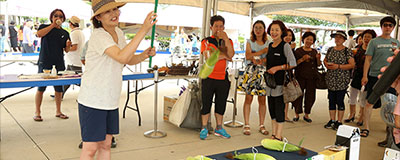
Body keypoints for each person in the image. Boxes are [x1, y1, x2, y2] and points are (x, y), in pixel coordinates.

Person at [77, 0, 156, 159]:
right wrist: (143, 30)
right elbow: (121, 57)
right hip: (93, 100)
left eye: (115, 9)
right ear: (98, 17)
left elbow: (126, 58)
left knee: (106, 145)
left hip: (110, 100)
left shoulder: (119, 33)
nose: (114, 13)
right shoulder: (99, 35)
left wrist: (143, 55)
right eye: (108, 11)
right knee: (90, 149)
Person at [361, 16, 400, 138]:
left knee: (391, 105)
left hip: (391, 79)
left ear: (393, 28)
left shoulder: (396, 42)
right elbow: (368, 60)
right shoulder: (374, 42)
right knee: (369, 102)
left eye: (390, 25)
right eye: (385, 25)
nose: (387, 27)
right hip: (374, 76)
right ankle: (366, 127)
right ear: (381, 27)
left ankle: (390, 131)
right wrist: (364, 76)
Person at [199, 15, 234, 140]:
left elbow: (231, 54)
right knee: (206, 103)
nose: (218, 28)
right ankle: (204, 127)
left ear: (224, 27)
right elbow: (209, 57)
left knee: (221, 104)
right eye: (216, 26)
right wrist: (224, 56)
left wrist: (225, 41)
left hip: (223, 78)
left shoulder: (228, 41)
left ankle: (219, 127)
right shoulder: (206, 41)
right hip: (209, 77)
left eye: (221, 26)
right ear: (211, 27)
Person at [33, 9, 71, 122]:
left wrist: (68, 45)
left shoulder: (65, 33)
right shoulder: (44, 27)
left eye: (60, 16)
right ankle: (37, 112)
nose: (58, 18)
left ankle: (58, 111)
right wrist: (53, 25)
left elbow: (67, 50)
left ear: (63, 19)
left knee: (59, 89)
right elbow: (39, 34)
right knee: (41, 87)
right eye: (55, 16)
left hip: (59, 62)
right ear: (51, 17)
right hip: (45, 61)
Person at [265, 20, 297, 141]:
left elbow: (293, 63)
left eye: (277, 30)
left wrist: (278, 68)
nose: (274, 32)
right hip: (270, 83)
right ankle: (274, 134)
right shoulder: (270, 45)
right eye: (272, 30)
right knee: (271, 108)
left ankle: (278, 135)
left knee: (279, 109)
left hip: (280, 83)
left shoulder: (285, 46)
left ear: (281, 31)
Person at [238, 20, 271, 136]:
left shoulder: (268, 42)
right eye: (256, 27)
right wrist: (261, 52)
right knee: (248, 98)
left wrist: (260, 58)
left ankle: (261, 124)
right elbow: (247, 56)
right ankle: (246, 124)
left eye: (260, 28)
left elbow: (268, 57)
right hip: (251, 71)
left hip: (262, 71)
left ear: (264, 29)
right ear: (253, 29)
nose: (258, 30)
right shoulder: (249, 41)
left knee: (262, 100)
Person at [323, 31, 355, 130]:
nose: (337, 39)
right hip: (331, 78)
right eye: (336, 37)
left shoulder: (347, 51)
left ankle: (339, 121)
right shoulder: (330, 49)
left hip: (342, 79)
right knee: (331, 100)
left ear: (344, 40)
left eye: (340, 38)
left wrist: (338, 66)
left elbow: (352, 64)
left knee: (340, 100)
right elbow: (325, 59)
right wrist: (326, 64)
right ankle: (332, 119)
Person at [344, 30, 376, 127]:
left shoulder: (374, 50)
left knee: (363, 98)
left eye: (369, 37)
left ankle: (361, 116)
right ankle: (351, 114)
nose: (366, 39)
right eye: (364, 37)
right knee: (352, 96)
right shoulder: (357, 48)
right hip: (356, 75)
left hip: (367, 76)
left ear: (373, 39)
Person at [292, 31, 321, 123]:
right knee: (298, 95)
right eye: (307, 39)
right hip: (299, 76)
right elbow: (293, 64)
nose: (309, 41)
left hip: (312, 77)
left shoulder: (314, 51)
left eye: (311, 40)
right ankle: (297, 114)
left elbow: (319, 65)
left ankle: (307, 114)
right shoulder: (298, 51)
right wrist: (302, 59)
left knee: (310, 96)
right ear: (303, 39)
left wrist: (318, 59)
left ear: (313, 42)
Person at [62, 16, 85, 97]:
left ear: (71, 24)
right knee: (67, 78)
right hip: (75, 59)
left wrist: (65, 49)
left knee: (78, 80)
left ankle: (88, 93)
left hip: (73, 60)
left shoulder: (74, 33)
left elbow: (74, 47)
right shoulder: (80, 32)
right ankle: (61, 94)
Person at [283, 28, 296, 123]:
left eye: (290, 35)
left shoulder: (293, 48)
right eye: (286, 35)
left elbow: (294, 62)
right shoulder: (281, 46)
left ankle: (285, 115)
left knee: (287, 94)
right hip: (281, 72)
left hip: (289, 73)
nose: (288, 37)